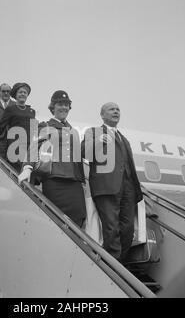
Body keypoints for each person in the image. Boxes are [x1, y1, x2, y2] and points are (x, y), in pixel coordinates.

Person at [81, 102, 143, 262]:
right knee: (111, 229)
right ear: (102, 115)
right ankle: (113, 267)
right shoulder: (92, 132)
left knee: (128, 229)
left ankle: (118, 263)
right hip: (106, 188)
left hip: (128, 189)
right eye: (111, 109)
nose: (116, 112)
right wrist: (98, 141)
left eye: (118, 109)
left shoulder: (124, 138)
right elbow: (84, 153)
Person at [18, 90, 86, 228]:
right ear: (53, 107)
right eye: (60, 104)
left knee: (79, 216)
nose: (64, 107)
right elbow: (34, 147)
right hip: (55, 181)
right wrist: (27, 168)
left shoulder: (73, 130)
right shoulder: (46, 126)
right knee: (56, 219)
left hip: (74, 182)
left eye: (66, 105)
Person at [0, 82, 36, 170]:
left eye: (25, 92)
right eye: (20, 92)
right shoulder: (10, 109)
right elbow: (0, 126)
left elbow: (34, 130)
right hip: (14, 147)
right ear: (15, 95)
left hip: (27, 147)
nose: (22, 94)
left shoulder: (32, 111)